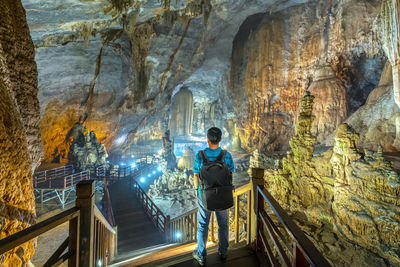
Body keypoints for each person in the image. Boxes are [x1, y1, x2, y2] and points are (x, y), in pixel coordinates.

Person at [192, 127, 234, 265]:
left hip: (205, 196)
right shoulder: (226, 155)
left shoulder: (200, 155)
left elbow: (196, 175)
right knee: (223, 224)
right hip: (222, 194)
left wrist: (196, 190)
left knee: (203, 225)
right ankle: (223, 252)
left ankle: (201, 255)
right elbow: (230, 175)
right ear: (220, 139)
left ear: (208, 139)